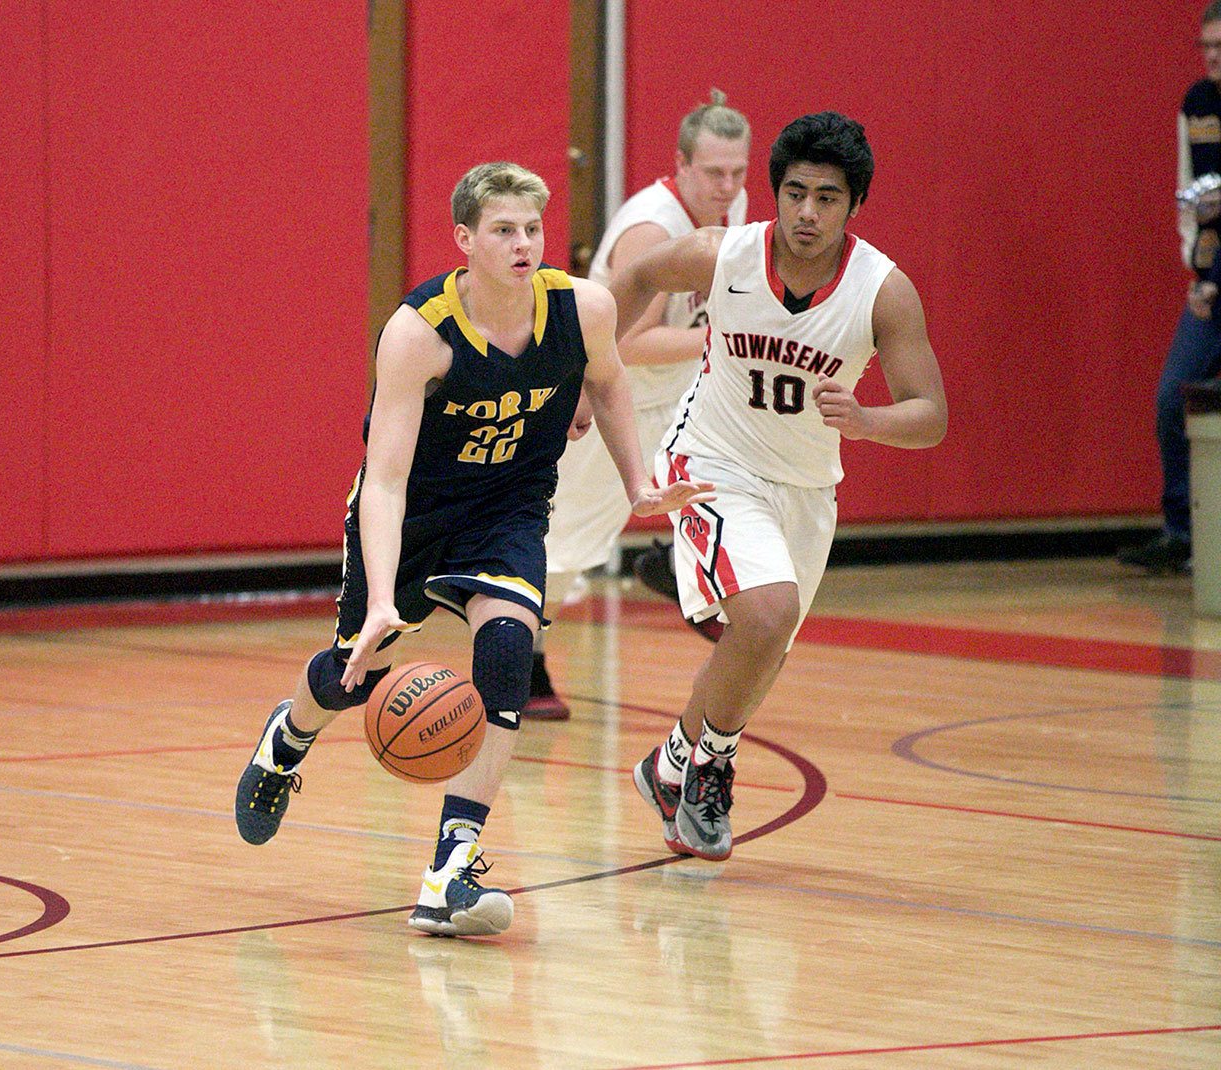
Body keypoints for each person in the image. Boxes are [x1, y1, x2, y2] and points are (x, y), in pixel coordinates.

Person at [233, 162, 712, 937]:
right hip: (414, 515)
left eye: (532, 229)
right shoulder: (420, 333)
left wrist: (639, 485)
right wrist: (386, 599)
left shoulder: (583, 308)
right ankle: (287, 738)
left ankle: (451, 866)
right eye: (503, 231)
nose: (523, 244)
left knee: (506, 654)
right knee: (356, 676)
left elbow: (613, 383)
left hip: (508, 511)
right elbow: (383, 483)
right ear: (465, 240)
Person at [615, 112, 948, 860]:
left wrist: (866, 420)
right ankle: (710, 770)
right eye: (794, 192)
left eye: (826, 198)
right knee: (766, 617)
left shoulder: (883, 290)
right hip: (710, 462)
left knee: (759, 648)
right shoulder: (724, 253)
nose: (806, 212)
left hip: (805, 489)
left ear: (854, 205)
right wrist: (587, 376)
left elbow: (931, 416)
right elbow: (633, 279)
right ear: (774, 194)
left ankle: (668, 765)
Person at [525, 92, 751, 720]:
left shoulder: (733, 212)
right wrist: (727, 336)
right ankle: (521, 656)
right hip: (609, 400)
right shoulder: (653, 228)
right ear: (680, 165)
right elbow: (631, 341)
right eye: (713, 173)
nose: (728, 186)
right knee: (568, 543)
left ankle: (681, 568)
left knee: (739, 485)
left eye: (738, 172)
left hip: (683, 400)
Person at [1118, 0, 1221, 575]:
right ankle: (1182, 530)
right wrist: (1197, 269)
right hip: (1211, 284)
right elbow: (1188, 191)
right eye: (1205, 46)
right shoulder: (1197, 104)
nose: (1211, 57)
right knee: (1172, 397)